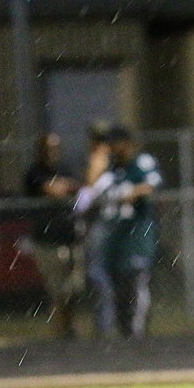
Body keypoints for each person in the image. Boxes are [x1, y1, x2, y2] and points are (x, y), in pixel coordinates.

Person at [93, 126, 162, 338]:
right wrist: (97, 165)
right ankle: (125, 331)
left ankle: (137, 333)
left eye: (116, 143)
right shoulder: (111, 169)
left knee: (137, 286)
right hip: (115, 240)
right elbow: (91, 191)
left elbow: (152, 184)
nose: (113, 148)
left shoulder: (141, 163)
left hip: (137, 237)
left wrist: (134, 191)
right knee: (118, 291)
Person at [24, 132, 84, 339]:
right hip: (48, 240)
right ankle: (60, 331)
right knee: (58, 290)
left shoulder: (64, 169)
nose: (53, 152)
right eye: (49, 148)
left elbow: (79, 187)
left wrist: (68, 186)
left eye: (56, 148)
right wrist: (64, 186)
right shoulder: (34, 172)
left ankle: (69, 328)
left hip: (70, 238)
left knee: (74, 288)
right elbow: (54, 189)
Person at [75, 121, 118, 337]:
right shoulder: (112, 158)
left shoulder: (99, 158)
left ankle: (105, 324)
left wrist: (77, 207)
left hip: (100, 221)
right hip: (109, 221)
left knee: (96, 273)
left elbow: (89, 191)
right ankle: (107, 323)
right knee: (102, 273)